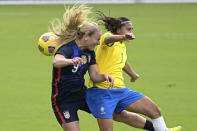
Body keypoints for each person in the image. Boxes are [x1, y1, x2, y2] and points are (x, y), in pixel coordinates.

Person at [50, 4, 159, 131]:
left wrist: (104, 76)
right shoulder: (68, 49)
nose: (98, 42)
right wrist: (70, 61)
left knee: (120, 115)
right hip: (63, 100)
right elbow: (56, 61)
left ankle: (158, 129)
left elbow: (95, 75)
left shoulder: (89, 53)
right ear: (86, 36)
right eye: (97, 39)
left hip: (83, 95)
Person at [86, 12, 182, 131]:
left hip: (121, 91)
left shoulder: (122, 46)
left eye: (132, 30)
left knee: (155, 111)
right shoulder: (108, 38)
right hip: (102, 92)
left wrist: (132, 74)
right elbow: (107, 39)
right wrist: (124, 37)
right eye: (128, 29)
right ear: (119, 29)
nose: (131, 32)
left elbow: (123, 62)